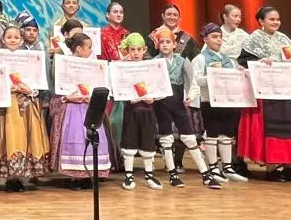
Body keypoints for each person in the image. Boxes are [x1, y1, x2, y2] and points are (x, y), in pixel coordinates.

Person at [236, 7, 291, 181]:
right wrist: (259, 61)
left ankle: (288, 165)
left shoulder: (283, 38)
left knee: (287, 129)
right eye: (271, 19)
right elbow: (243, 61)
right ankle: (272, 167)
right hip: (266, 92)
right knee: (271, 128)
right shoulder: (253, 39)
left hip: (286, 91)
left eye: (278, 19)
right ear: (261, 21)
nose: (276, 22)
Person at [149, 28, 218, 188]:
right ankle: (172, 173)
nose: (165, 45)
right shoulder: (155, 62)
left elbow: (192, 79)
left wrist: (191, 95)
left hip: (178, 103)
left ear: (174, 44)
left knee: (189, 136)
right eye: (161, 42)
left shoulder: (182, 60)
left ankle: (205, 174)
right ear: (157, 45)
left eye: (168, 42)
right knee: (166, 138)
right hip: (161, 104)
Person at [185, 23, 249, 182]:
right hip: (209, 101)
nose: (218, 40)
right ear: (205, 39)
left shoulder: (228, 59)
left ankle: (227, 167)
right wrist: (214, 76)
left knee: (227, 135)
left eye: (220, 37)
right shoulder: (200, 59)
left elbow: (236, 76)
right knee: (212, 135)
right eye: (214, 37)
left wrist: (239, 72)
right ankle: (213, 167)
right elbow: (196, 80)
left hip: (228, 101)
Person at [46, 31, 111, 184]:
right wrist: (67, 97)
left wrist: (93, 96)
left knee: (92, 138)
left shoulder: (93, 67)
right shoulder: (65, 65)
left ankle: (88, 175)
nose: (91, 51)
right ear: (79, 49)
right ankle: (75, 177)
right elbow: (59, 91)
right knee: (75, 138)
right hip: (72, 109)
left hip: (88, 107)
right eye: (89, 47)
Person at [0, 24, 50, 192]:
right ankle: (10, 177)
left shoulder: (31, 59)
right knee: (10, 137)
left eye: (16, 37)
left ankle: (19, 176)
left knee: (26, 138)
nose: (13, 40)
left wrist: (29, 90)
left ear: (21, 40)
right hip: (7, 107)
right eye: (9, 37)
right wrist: (7, 87)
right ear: (3, 40)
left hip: (27, 105)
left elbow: (38, 84)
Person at [115, 33, 163, 191]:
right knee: (129, 140)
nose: (136, 53)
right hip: (131, 111)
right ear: (127, 50)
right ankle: (128, 174)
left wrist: (153, 98)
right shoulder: (123, 68)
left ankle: (149, 174)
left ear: (145, 50)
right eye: (132, 49)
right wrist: (128, 98)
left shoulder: (150, 67)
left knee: (148, 140)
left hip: (147, 110)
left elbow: (158, 87)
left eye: (139, 49)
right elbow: (118, 87)